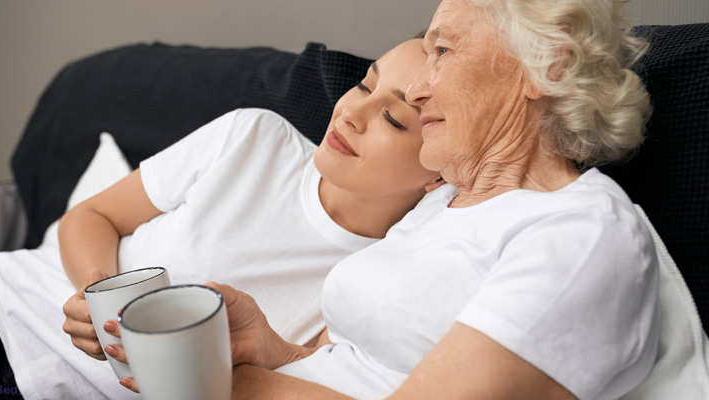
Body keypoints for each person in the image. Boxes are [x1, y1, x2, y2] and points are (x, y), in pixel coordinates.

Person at [113, 0, 662, 398]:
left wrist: (218, 383)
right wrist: (275, 352)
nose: (419, 89)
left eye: (442, 50)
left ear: (549, 65)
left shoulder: (581, 234)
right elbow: (368, 374)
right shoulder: (441, 203)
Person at [0, 36, 440, 399]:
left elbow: (316, 377)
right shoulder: (254, 137)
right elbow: (90, 216)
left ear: (441, 167)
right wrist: (100, 292)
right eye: (364, 85)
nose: (351, 112)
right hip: (1, 304)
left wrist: (277, 355)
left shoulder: (382, 279)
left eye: (393, 118)